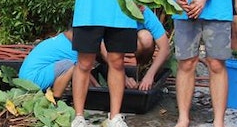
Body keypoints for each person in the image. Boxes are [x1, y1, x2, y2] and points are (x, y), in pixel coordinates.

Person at [19, 7, 170, 99]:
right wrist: (111, 83)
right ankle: (56, 98)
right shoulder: (74, 43)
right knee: (71, 65)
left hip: (34, 74)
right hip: (32, 80)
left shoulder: (71, 39)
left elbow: (86, 69)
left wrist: (99, 87)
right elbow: (80, 67)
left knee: (76, 65)